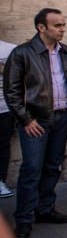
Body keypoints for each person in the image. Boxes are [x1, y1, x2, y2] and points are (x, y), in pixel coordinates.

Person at [3, 8, 67, 238]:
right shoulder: (23, 53)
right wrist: (26, 119)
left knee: (53, 166)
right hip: (36, 121)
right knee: (31, 170)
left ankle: (45, 209)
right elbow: (12, 91)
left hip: (62, 117)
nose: (62, 29)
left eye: (64, 25)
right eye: (57, 25)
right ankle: (24, 219)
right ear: (41, 28)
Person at [0, 39, 16, 198]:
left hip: (4, 107)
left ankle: (0, 181)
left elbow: (20, 75)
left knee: (3, 145)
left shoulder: (10, 49)